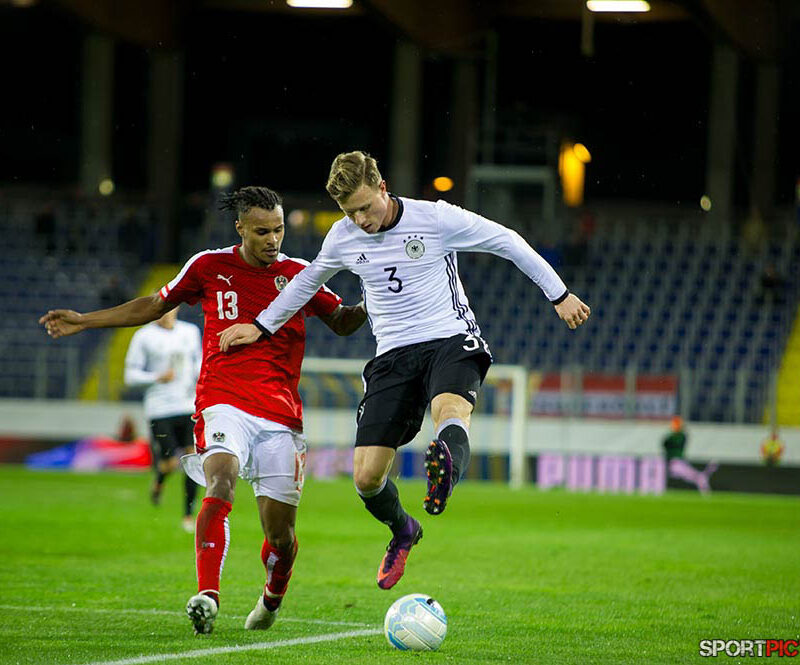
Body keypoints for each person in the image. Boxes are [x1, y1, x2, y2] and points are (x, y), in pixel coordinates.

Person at [218, 151, 591, 591]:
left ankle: (445, 470)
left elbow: (506, 240)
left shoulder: (434, 219)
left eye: (365, 207)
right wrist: (261, 325)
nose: (360, 220)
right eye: (349, 212)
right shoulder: (341, 237)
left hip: (449, 337)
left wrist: (559, 294)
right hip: (392, 355)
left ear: (382, 187)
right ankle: (403, 529)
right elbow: (308, 282)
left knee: (450, 410)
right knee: (366, 478)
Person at [39, 186, 367, 635]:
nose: (273, 240)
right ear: (240, 229)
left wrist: (379, 298)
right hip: (222, 400)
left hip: (280, 416)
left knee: (280, 536)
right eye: (261, 232)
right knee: (221, 479)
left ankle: (272, 596)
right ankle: (208, 595)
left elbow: (343, 322)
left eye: (279, 229)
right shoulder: (209, 266)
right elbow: (155, 304)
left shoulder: (299, 274)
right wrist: (86, 319)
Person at [124, 304, 202, 532]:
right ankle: (159, 480)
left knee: (192, 459)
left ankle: (188, 516)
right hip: (160, 408)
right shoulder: (143, 336)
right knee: (169, 463)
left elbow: (198, 361)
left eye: (171, 307)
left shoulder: (190, 332)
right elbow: (130, 376)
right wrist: (157, 377)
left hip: (188, 404)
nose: (167, 312)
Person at [662, 416, 717, 494]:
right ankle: (705, 480)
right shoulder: (672, 436)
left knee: (694, 476)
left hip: (678, 462)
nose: (672, 426)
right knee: (695, 476)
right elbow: (665, 443)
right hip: (673, 463)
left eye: (674, 424)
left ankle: (704, 485)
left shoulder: (680, 436)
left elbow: (672, 441)